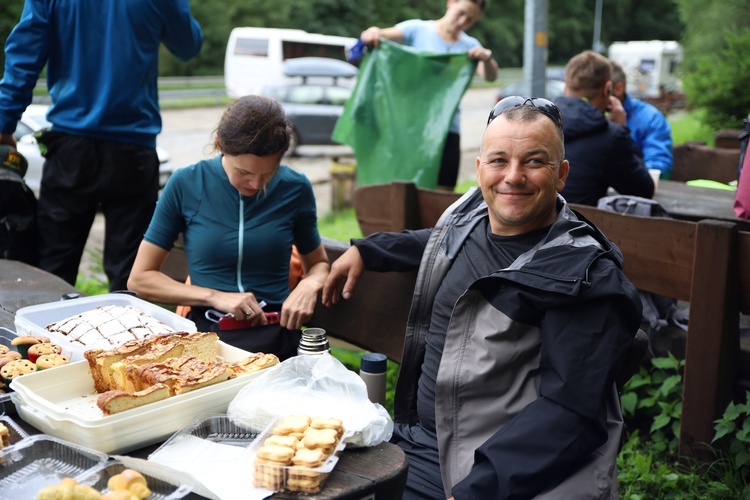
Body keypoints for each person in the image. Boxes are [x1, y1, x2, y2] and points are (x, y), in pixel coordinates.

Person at [322, 97, 642, 498]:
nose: (513, 176)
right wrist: (368, 249)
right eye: (498, 160)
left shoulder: (583, 276)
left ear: (561, 175)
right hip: (416, 444)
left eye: (534, 162)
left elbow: (569, 414)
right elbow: (436, 241)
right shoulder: (471, 222)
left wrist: (478, 488)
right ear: (479, 170)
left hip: (489, 472)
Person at [0, 0, 203, 291]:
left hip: (71, 150)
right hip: (134, 152)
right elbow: (188, 45)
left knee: (50, 272)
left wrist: (5, 123)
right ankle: (129, 336)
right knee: (129, 278)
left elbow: (24, 55)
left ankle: (41, 336)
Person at [128, 96, 329, 361]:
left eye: (268, 173)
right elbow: (140, 279)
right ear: (220, 145)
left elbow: (318, 264)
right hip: (208, 337)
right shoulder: (186, 184)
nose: (256, 184)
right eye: (244, 172)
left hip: (277, 337)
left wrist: (309, 285)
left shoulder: (296, 187)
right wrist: (214, 296)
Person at [360, 0, 499, 191]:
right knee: (405, 187)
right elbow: (379, 35)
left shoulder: (469, 45)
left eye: (470, 20)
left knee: (443, 191)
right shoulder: (416, 30)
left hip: (447, 128)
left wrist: (486, 58)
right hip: (409, 127)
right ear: (450, 3)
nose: (462, 22)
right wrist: (373, 32)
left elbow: (490, 76)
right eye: (461, 13)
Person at [553, 50, 654, 206]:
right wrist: (622, 128)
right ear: (607, 89)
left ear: (566, 87)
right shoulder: (611, 136)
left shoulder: (542, 121)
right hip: (576, 227)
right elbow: (644, 190)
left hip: (533, 225)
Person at [610, 61, 674, 178]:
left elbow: (659, 168)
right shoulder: (589, 115)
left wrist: (621, 131)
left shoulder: (651, 118)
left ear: (618, 89)